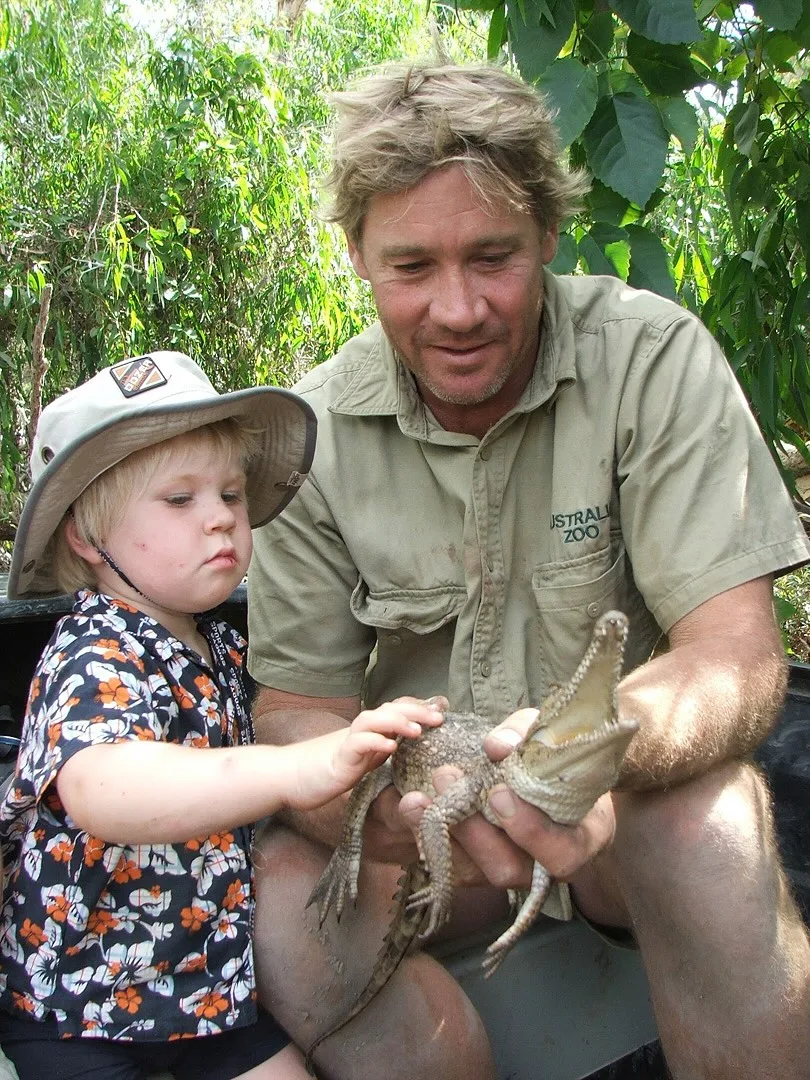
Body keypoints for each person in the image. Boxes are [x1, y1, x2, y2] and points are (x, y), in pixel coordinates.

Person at [243, 61, 810, 1080]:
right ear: (359, 256)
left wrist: (585, 760)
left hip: (616, 812)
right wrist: (405, 806)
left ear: (548, 235)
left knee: (714, 828)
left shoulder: (651, 360)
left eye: (493, 257)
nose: (457, 310)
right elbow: (296, 714)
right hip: (425, 824)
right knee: (281, 898)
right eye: (411, 267)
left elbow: (735, 654)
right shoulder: (313, 435)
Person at [0, 350, 443, 1080]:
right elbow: (106, 789)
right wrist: (293, 768)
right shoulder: (93, 652)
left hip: (205, 984)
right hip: (83, 1007)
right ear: (87, 536)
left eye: (231, 496)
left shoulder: (222, 646)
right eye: (180, 501)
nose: (220, 521)